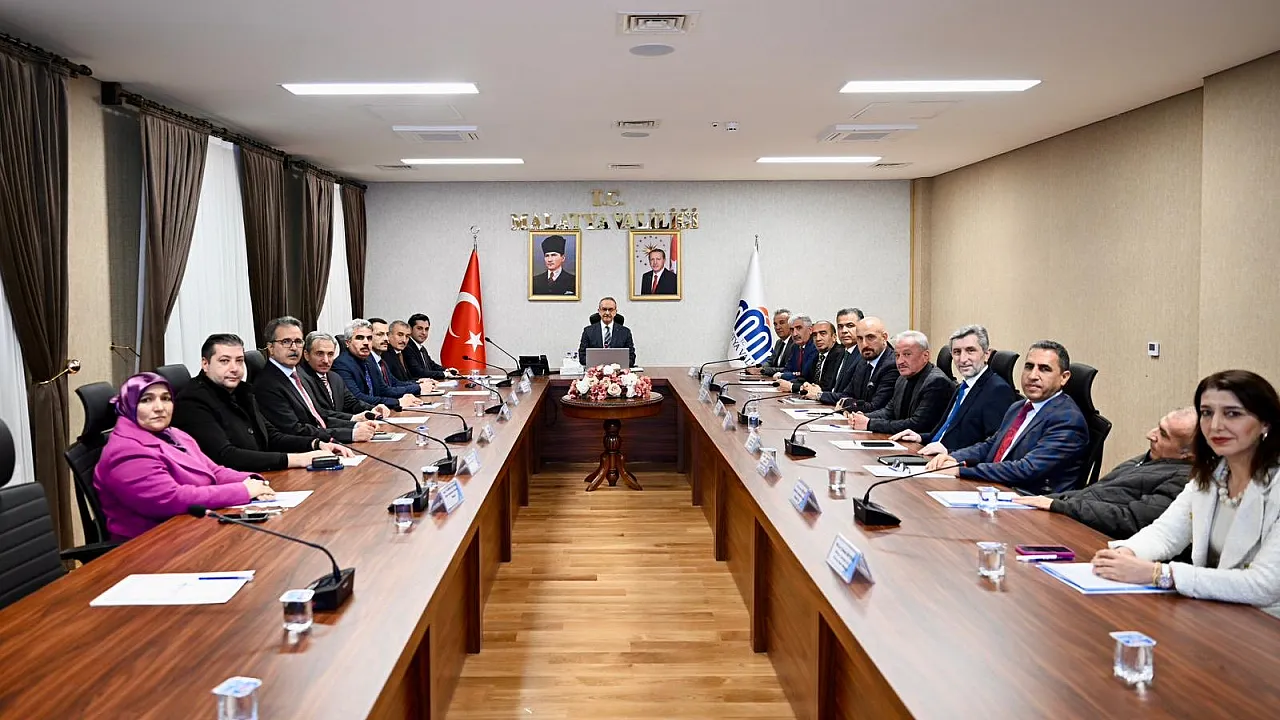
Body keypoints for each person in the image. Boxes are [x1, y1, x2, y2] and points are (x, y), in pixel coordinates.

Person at [1092, 370, 1280, 617]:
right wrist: (1126, 553)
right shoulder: (1211, 475)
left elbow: (1265, 585)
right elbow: (1165, 534)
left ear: (1266, 423)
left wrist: (1160, 574)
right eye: (1207, 413)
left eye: (1232, 414)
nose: (1215, 426)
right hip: (1213, 611)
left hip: (1265, 624)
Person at [93, 372, 276, 541]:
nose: (159, 408)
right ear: (129, 405)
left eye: (166, 399)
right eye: (146, 400)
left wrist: (252, 481)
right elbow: (171, 499)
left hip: (192, 529)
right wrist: (243, 491)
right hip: (152, 544)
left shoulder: (173, 434)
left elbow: (213, 470)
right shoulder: (126, 451)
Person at [171, 333, 350, 473]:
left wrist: (316, 444)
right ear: (205, 364)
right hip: (227, 488)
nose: (234, 368)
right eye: (224, 361)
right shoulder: (192, 400)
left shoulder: (242, 392)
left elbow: (271, 436)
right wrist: (297, 459)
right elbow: (226, 456)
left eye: (239, 361)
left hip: (261, 476)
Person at [925, 340, 1088, 494]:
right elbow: (991, 445)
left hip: (1028, 502)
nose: (1033, 375)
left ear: (1064, 377)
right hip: (996, 491)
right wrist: (954, 458)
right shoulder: (1019, 407)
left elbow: (1026, 469)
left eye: (1044, 369)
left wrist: (961, 470)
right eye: (1029, 367)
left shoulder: (1067, 420)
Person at [1012, 408, 1196, 538]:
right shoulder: (1152, 458)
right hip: (1072, 522)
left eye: (1163, 434)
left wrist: (1058, 505)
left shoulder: (1183, 480)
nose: (1150, 434)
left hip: (1095, 540)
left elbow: (1131, 521)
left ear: (1189, 454)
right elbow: (1094, 493)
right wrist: (1045, 501)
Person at [892, 325, 1016, 454]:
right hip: (932, 455)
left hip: (955, 462)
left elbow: (995, 446)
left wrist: (949, 451)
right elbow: (947, 433)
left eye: (970, 351)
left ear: (986, 354)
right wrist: (920, 437)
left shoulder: (997, 390)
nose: (962, 359)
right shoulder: (963, 387)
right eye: (957, 352)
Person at [254, 316, 378, 443]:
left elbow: (319, 417)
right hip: (305, 448)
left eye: (298, 341)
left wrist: (355, 425)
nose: (294, 347)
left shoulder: (298, 376)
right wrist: (350, 434)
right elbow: (294, 430)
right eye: (286, 341)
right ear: (271, 347)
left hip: (323, 441)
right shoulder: (267, 384)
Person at [847, 331, 953, 434]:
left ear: (925, 356)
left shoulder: (936, 382)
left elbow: (917, 425)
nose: (900, 361)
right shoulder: (902, 379)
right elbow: (890, 411)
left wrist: (870, 424)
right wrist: (864, 416)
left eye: (907, 354)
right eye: (897, 355)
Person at [332, 319, 427, 411]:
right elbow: (358, 398)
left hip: (378, 412)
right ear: (347, 342)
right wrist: (398, 402)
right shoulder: (341, 364)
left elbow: (382, 389)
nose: (366, 343)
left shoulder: (369, 360)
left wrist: (411, 392)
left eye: (369, 338)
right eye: (360, 338)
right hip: (360, 416)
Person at [300, 331, 391, 418]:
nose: (326, 360)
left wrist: (373, 409)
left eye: (330, 354)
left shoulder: (335, 377)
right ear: (306, 355)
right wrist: (353, 418)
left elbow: (351, 402)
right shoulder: (301, 379)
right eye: (320, 354)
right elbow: (320, 413)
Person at [827, 316, 897, 412]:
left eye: (870, 337)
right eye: (859, 338)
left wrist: (846, 404)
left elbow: (875, 407)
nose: (864, 344)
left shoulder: (892, 365)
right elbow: (846, 394)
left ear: (884, 337)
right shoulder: (862, 363)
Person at [808, 307, 863, 403]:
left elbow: (852, 396)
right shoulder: (842, 353)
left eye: (850, 326)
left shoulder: (863, 355)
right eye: (840, 327)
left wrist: (819, 395)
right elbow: (832, 388)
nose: (844, 331)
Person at [369, 318, 435, 396]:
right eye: (380, 334)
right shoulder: (381, 357)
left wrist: (418, 383)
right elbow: (384, 390)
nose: (386, 339)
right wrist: (418, 387)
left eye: (407, 336)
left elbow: (395, 382)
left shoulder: (382, 360)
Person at [777, 320, 840, 393]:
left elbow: (825, 387)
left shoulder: (839, 354)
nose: (818, 339)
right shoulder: (818, 355)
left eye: (823, 333)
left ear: (834, 337)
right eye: (815, 335)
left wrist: (792, 387)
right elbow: (805, 378)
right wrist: (786, 383)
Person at [577, 297, 636, 366]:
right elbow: (582, 357)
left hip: (617, 370)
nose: (607, 313)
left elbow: (631, 358)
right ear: (599, 311)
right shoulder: (588, 331)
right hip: (595, 370)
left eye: (611, 310)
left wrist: (614, 366)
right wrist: (600, 366)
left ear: (615, 312)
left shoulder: (625, 332)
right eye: (604, 309)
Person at [402, 313, 455, 380]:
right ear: (410, 329)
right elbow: (418, 372)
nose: (424, 333)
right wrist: (445, 374)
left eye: (426, 329)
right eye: (419, 328)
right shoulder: (406, 347)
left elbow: (432, 365)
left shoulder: (422, 348)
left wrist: (447, 370)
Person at [769, 314, 816, 379]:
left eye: (799, 328)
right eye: (792, 330)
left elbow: (805, 375)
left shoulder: (815, 346)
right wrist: (792, 374)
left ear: (810, 330)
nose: (794, 334)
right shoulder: (795, 347)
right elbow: (787, 370)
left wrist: (782, 375)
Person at [749, 308, 793, 376]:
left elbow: (788, 369)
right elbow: (770, 361)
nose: (777, 327)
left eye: (781, 323)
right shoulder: (779, 342)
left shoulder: (795, 344)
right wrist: (758, 367)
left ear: (791, 325)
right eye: (775, 324)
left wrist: (763, 370)